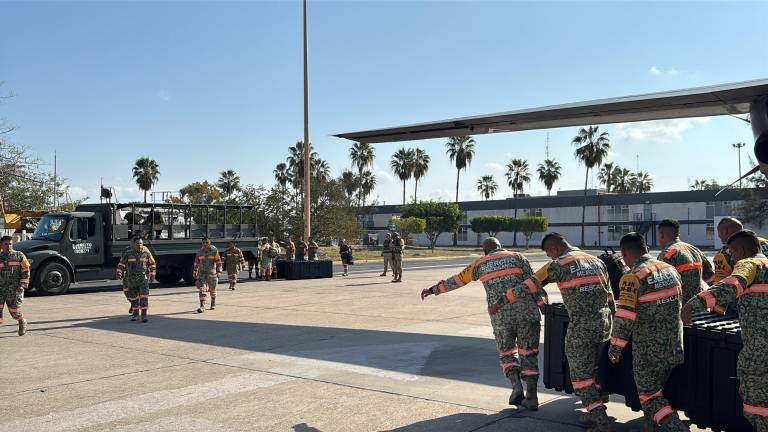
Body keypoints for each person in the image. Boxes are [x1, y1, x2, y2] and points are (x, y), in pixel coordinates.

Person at [494, 233, 613, 428]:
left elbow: (529, 285)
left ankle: (600, 419)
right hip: (605, 325)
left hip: (581, 330)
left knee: (580, 377)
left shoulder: (558, 264)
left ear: (555, 248)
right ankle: (596, 405)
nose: (550, 257)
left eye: (549, 253)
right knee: (595, 369)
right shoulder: (596, 261)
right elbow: (609, 296)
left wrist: (501, 301)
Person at [423, 238, 545, 409]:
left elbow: (457, 281)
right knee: (529, 353)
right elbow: (534, 283)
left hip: (501, 316)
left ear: (485, 251)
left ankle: (516, 386)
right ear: (501, 246)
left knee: (507, 352)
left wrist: (433, 290)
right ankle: (531, 396)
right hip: (527, 313)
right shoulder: (518, 257)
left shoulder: (479, 264)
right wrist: (543, 306)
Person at [682, 230, 768, 432]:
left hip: (759, 352)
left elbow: (731, 285)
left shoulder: (749, 264)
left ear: (742, 250)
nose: (731, 258)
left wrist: (694, 304)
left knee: (756, 408)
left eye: (732, 253)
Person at [609, 233, 688, 432]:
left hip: (649, 350)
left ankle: (676, 427)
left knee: (649, 396)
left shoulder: (633, 277)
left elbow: (625, 317)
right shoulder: (670, 269)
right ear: (646, 248)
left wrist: (615, 347)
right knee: (660, 389)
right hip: (674, 344)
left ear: (624, 253)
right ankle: (649, 425)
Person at [712, 217, 768, 314]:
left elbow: (721, 286)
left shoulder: (724, 253)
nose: (719, 236)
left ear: (725, 231)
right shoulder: (763, 243)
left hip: (746, 308)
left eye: (719, 233)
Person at [657, 219, 714, 303]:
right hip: (698, 304)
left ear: (661, 235)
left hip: (680, 307)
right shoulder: (694, 250)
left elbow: (659, 287)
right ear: (678, 234)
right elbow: (710, 276)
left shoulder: (666, 254)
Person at [116, 236, 156, 322]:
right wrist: (119, 272)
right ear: (133, 244)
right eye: (138, 243)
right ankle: (136, 314)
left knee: (144, 296)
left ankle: (144, 316)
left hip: (143, 279)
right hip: (131, 279)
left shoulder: (146, 252)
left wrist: (153, 273)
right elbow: (121, 264)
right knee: (134, 298)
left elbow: (152, 263)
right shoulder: (128, 253)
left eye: (141, 243)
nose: (140, 245)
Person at [0, 235, 29, 336]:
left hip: (14, 288)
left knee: (14, 310)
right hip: (1, 288)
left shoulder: (19, 255)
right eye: (6, 244)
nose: (8, 246)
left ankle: (21, 321)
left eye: (10, 244)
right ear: (1, 245)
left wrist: (23, 285)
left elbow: (25, 270)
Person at [194, 237, 222, 312]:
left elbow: (218, 262)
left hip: (211, 274)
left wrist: (219, 271)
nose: (205, 244)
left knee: (212, 290)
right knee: (202, 289)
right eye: (204, 243)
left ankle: (213, 302)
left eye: (207, 242)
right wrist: (195, 271)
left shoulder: (214, 251)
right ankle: (202, 306)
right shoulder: (199, 252)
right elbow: (196, 263)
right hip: (202, 274)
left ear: (210, 243)